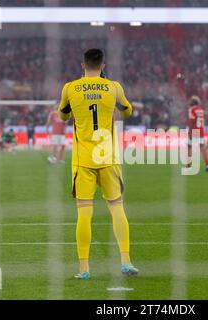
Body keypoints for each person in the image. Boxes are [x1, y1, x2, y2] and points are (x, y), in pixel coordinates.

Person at [57, 48, 138, 280]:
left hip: (83, 160)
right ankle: (126, 260)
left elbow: (62, 116)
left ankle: (84, 269)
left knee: (84, 213)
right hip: (108, 157)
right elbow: (128, 110)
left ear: (83, 65)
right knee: (117, 208)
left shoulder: (70, 88)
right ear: (103, 65)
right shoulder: (114, 87)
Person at [187, 95, 208, 172]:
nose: (189, 102)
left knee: (189, 146)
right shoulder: (201, 110)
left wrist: (190, 131)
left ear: (193, 102)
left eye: (191, 100)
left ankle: (188, 165)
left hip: (194, 130)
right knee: (202, 148)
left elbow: (192, 121)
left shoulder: (191, 109)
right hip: (201, 130)